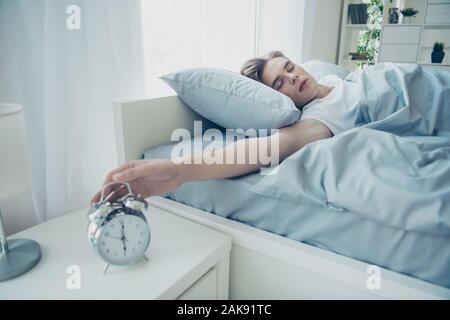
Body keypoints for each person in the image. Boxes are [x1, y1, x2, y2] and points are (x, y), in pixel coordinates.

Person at [90, 51, 337, 204]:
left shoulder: (335, 79)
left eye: (290, 67)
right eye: (280, 83)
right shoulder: (318, 118)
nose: (292, 77)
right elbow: (270, 147)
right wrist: (179, 171)